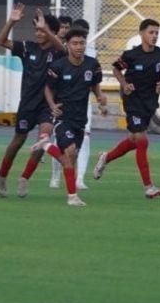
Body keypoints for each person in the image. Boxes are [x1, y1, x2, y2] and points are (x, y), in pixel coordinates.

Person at [15, 27, 106, 206]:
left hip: (80, 119)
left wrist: (100, 98)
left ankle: (47, 146)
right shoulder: (58, 66)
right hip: (62, 117)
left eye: (82, 43)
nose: (79, 47)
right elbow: (48, 88)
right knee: (69, 153)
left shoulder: (92, 65)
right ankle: (72, 197)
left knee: (70, 160)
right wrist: (52, 105)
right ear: (67, 45)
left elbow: (95, 86)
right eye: (75, 43)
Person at [94, 17, 160, 198]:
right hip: (133, 101)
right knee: (142, 141)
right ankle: (148, 186)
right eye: (151, 32)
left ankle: (106, 157)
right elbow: (115, 69)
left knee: (133, 140)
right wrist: (124, 83)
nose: (154, 36)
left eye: (157, 33)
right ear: (141, 33)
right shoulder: (131, 55)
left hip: (150, 101)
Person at [0, 5, 63, 197]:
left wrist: (47, 28)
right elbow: (0, 41)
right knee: (18, 141)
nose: (38, 33)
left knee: (43, 140)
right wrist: (12, 21)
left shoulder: (58, 53)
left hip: (48, 105)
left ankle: (24, 178)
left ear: (52, 32)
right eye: (37, 29)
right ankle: (2, 174)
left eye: (42, 30)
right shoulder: (27, 48)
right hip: (27, 104)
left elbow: (64, 49)